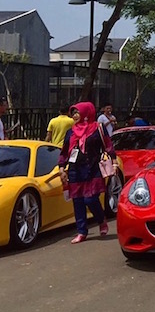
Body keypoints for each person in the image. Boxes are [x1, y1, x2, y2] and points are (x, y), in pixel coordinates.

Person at [58, 102, 110, 244]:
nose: (74, 116)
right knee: (78, 201)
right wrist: (62, 168)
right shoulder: (71, 132)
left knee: (91, 199)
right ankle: (82, 231)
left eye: (77, 113)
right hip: (75, 171)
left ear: (87, 113)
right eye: (73, 113)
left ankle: (101, 220)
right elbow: (64, 152)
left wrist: (114, 161)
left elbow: (108, 144)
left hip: (93, 169)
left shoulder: (97, 129)